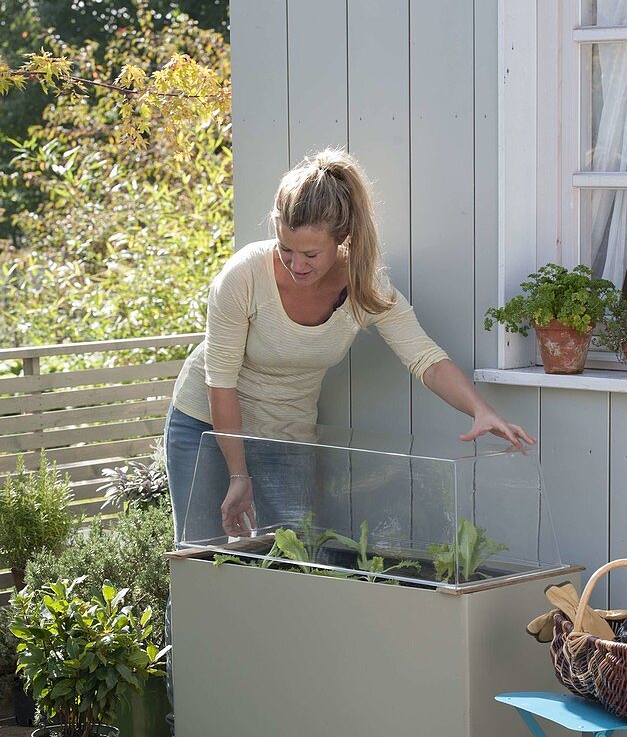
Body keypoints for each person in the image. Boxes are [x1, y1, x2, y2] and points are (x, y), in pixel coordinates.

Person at [165, 147, 535, 545]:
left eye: (310, 253)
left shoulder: (366, 287)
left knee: (298, 556)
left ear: (342, 239)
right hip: (205, 423)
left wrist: (480, 410)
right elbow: (219, 380)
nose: (296, 264)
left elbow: (424, 357)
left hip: (285, 434)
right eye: (285, 248)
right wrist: (238, 475)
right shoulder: (243, 275)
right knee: (201, 559)